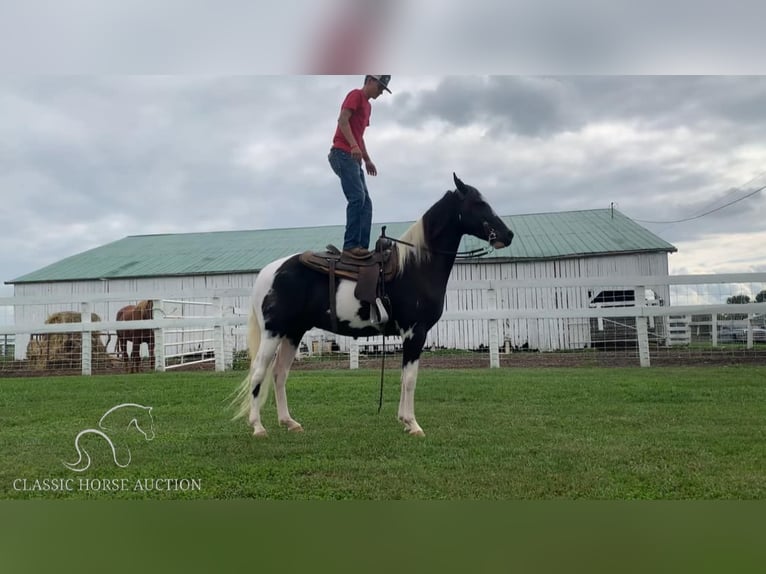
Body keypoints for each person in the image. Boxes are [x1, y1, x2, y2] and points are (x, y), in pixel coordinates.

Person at [328, 75, 391, 257]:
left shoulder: (368, 107)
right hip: (341, 153)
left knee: (366, 202)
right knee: (357, 197)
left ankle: (361, 247)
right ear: (370, 80)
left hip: (354, 157)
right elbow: (342, 120)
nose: (380, 92)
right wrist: (353, 146)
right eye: (380, 87)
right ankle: (350, 246)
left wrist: (367, 159)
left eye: (383, 89)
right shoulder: (356, 95)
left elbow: (359, 136)